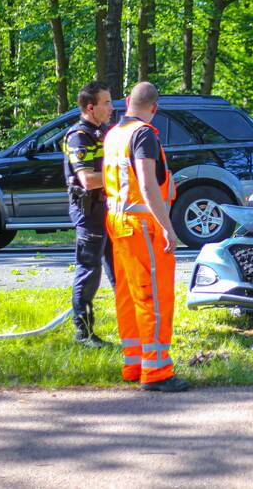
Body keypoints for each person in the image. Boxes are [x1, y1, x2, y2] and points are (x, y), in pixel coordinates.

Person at [103, 81, 188, 392]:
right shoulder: (143, 135)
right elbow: (148, 183)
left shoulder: (114, 134)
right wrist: (167, 225)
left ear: (127, 101)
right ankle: (156, 372)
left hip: (118, 221)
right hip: (142, 225)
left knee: (128, 296)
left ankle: (134, 362)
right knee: (153, 297)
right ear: (155, 108)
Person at [62, 81, 116, 348]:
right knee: (89, 270)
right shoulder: (78, 136)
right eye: (106, 102)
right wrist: (121, 177)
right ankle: (83, 333)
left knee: (118, 269)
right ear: (90, 107)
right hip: (90, 210)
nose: (111, 107)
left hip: (109, 209)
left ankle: (131, 327)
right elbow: (87, 180)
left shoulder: (104, 131)